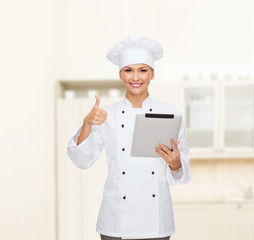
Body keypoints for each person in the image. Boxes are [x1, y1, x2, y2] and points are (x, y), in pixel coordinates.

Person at [67, 35, 191, 240]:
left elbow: (181, 172)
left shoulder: (170, 113)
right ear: (120, 74)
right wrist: (87, 123)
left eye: (142, 70)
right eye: (128, 70)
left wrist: (176, 164)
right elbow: (82, 160)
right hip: (116, 219)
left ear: (152, 74)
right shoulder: (106, 114)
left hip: (156, 220)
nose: (136, 77)